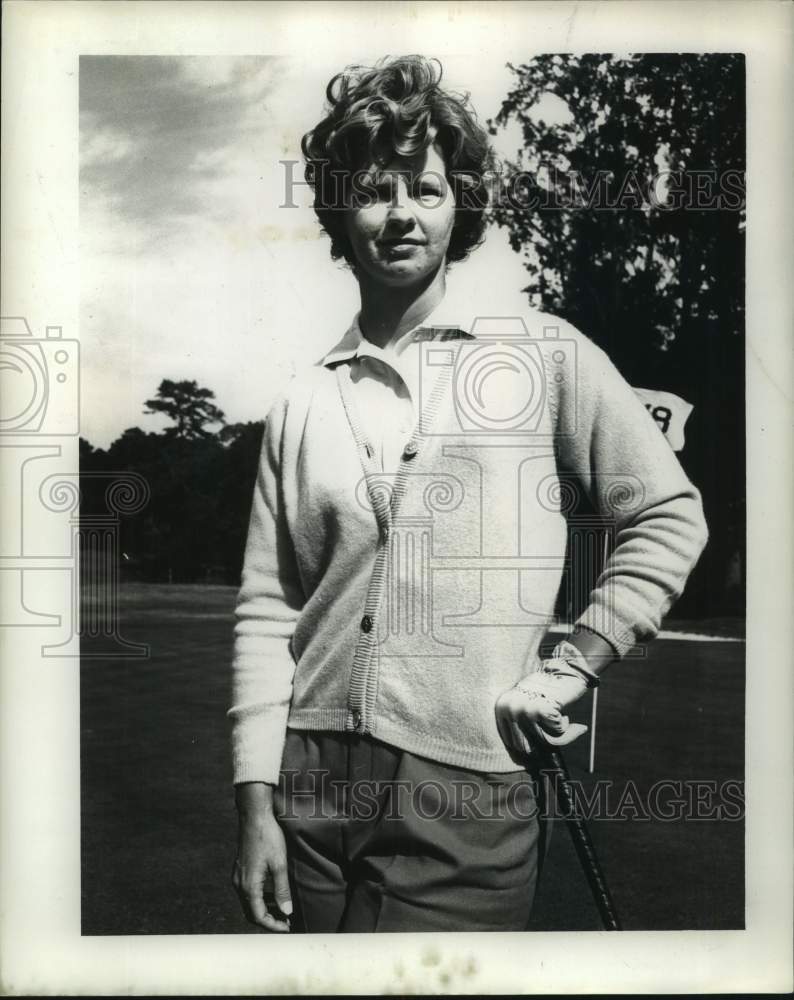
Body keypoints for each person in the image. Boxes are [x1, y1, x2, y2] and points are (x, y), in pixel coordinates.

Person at [229, 55, 708, 933]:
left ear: (462, 208)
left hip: (469, 788)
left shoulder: (543, 353)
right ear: (339, 210)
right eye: (375, 188)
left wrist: (573, 669)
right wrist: (256, 803)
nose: (402, 212)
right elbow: (269, 609)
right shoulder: (301, 401)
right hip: (309, 792)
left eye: (428, 188)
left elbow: (668, 516)